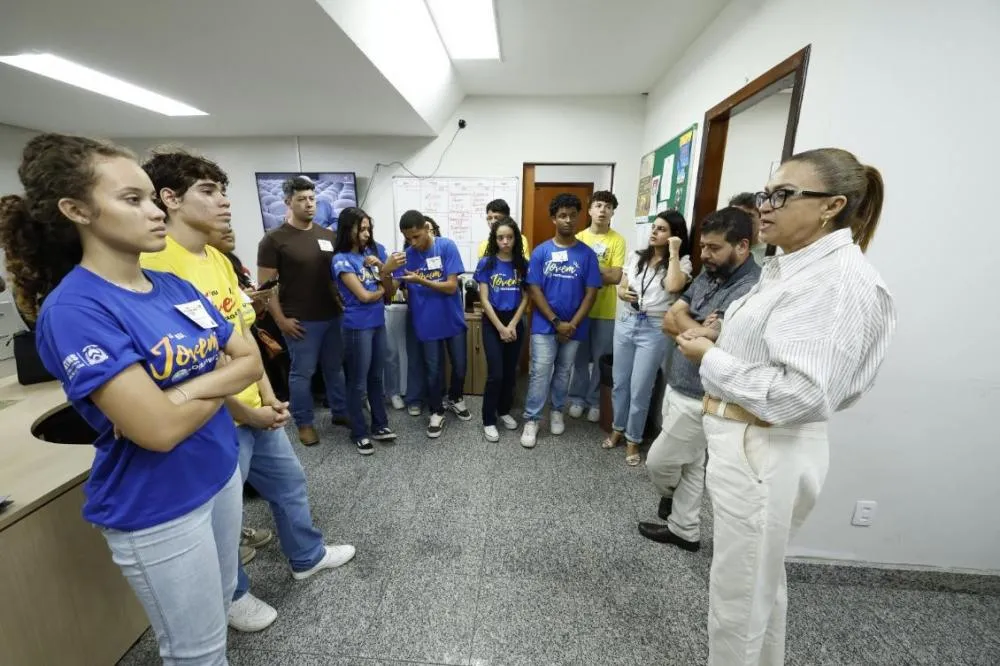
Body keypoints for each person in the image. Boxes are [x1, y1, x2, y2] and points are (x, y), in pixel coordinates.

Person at [0, 133, 264, 662]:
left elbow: (250, 362)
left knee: (216, 614)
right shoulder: (76, 309)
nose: (156, 211)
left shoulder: (174, 287)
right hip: (158, 504)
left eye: (151, 197)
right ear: (76, 210)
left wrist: (178, 392)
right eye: (132, 199)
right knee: (197, 652)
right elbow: (158, 431)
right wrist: (213, 378)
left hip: (217, 473)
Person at [676, 149, 896, 665]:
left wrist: (710, 357)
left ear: (831, 206)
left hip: (764, 445)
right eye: (765, 193)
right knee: (759, 585)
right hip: (753, 441)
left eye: (782, 195)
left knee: (738, 601)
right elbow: (784, 358)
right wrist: (725, 339)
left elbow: (805, 394)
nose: (764, 205)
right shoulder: (791, 268)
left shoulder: (833, 280)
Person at [140, 148, 357, 633]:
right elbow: (186, 367)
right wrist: (245, 411)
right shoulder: (156, 267)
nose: (224, 201)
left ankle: (306, 556)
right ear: (170, 198)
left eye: (223, 191)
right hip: (215, 419)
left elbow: (240, 337)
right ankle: (234, 595)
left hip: (257, 408)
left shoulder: (217, 259)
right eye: (208, 191)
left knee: (289, 485)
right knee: (226, 517)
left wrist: (268, 396)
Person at [638, 206, 761, 551]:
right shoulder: (711, 272)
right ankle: (685, 529)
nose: (704, 254)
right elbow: (670, 318)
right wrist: (697, 327)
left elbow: (718, 341)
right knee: (692, 464)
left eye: (714, 247)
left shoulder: (750, 288)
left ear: (742, 246)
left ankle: (669, 495)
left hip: (702, 395)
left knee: (660, 463)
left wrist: (691, 324)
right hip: (679, 381)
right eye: (703, 246)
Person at [258, 176, 348, 446]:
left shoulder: (328, 236)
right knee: (302, 373)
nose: (309, 204)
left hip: (332, 316)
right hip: (300, 320)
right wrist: (280, 320)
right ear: (288, 202)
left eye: (312, 198)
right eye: (301, 199)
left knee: (335, 369)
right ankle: (304, 423)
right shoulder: (274, 240)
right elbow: (266, 289)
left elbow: (337, 274)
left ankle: (341, 412)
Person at [606, 210, 692, 465]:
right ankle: (617, 428)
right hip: (627, 320)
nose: (654, 232)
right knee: (620, 382)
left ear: (675, 235)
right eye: (654, 227)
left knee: (640, 387)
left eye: (662, 229)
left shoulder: (682, 262)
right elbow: (622, 286)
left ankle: (633, 438)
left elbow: (673, 286)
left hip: (654, 327)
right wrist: (623, 293)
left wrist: (674, 251)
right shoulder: (636, 256)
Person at [521, 193, 602, 448]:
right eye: (562, 216)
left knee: (564, 371)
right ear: (553, 219)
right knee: (540, 371)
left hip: (575, 328)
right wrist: (557, 322)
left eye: (572, 215)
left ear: (578, 217)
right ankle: (532, 419)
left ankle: (557, 410)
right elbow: (534, 289)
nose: (568, 220)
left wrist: (571, 325)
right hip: (545, 325)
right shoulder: (541, 252)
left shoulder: (587, 255)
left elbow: (591, 293)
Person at [332, 207, 404, 453]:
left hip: (376, 323)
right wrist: (382, 287)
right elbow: (364, 296)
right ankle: (359, 432)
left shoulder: (373, 253)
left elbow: (390, 291)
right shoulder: (341, 260)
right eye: (361, 229)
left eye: (368, 229)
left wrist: (383, 268)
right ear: (347, 230)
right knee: (357, 382)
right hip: (357, 326)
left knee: (376, 378)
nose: (366, 234)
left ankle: (380, 425)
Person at [394, 209, 471, 438]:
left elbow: (451, 287)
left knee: (460, 365)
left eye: (416, 236)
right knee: (433, 370)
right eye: (407, 237)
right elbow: (391, 290)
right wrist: (386, 268)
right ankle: (436, 410)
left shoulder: (446, 246)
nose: (412, 242)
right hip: (426, 321)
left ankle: (455, 397)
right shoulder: (406, 256)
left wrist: (421, 280)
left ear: (427, 229)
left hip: (451, 318)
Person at [568, 190, 626, 422]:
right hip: (580, 308)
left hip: (605, 309)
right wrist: (602, 271)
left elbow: (616, 277)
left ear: (613, 213)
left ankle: (594, 401)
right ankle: (577, 398)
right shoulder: (579, 238)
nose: (603, 210)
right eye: (599, 205)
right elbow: (575, 274)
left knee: (601, 357)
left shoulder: (617, 240)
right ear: (590, 210)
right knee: (579, 357)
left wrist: (589, 266)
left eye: (608, 207)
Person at [473, 218, 529, 442]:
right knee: (495, 374)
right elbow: (484, 299)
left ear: (516, 239)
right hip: (492, 321)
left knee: (510, 372)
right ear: (494, 239)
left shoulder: (522, 264)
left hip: (514, 320)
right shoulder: (486, 263)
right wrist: (500, 328)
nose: (505, 241)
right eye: (500, 238)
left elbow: (526, 298)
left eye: (509, 237)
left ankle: (504, 410)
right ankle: (488, 420)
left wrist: (513, 325)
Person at [730, 192, 767, 265]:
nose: (742, 220)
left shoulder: (771, 255)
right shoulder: (720, 250)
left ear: (761, 220)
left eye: (749, 215)